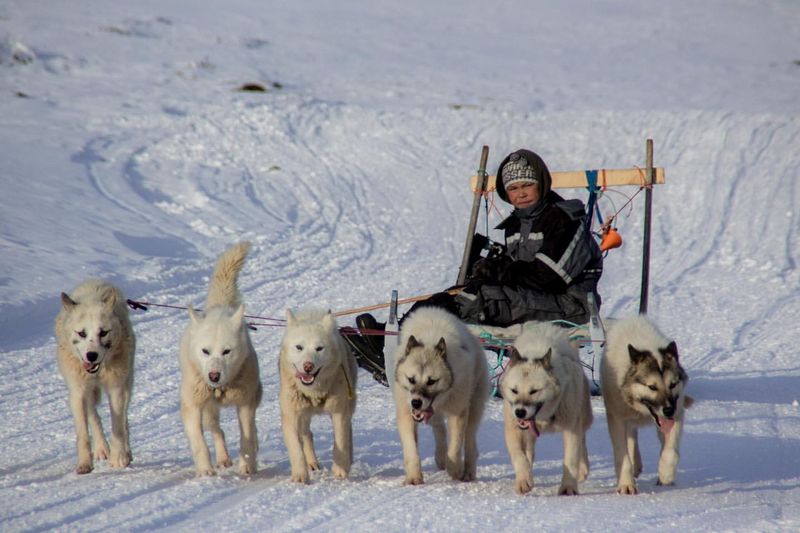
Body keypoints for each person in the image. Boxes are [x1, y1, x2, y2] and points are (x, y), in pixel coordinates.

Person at [346, 149, 604, 383]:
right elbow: (517, 270)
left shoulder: (565, 219)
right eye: (513, 188)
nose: (521, 193)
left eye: (528, 185)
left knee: (478, 301)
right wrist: (490, 267)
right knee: (449, 296)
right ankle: (388, 340)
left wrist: (498, 272)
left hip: (570, 306)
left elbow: (550, 277)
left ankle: (397, 355)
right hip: (533, 299)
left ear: (543, 185)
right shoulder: (516, 224)